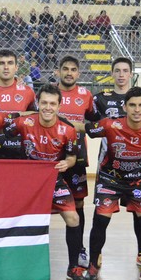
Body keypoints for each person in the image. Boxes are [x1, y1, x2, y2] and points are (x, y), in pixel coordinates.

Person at [84, 87, 141, 280]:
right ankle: (92, 266)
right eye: (132, 105)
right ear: (124, 107)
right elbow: (86, 128)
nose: (137, 109)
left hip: (138, 180)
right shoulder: (110, 124)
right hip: (109, 178)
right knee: (100, 222)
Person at [5, 84, 85, 280]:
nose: (48, 107)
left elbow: (72, 157)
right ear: (37, 104)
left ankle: (73, 266)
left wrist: (68, 163)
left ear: (59, 106)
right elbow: (3, 134)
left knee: (73, 218)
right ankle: (14, 265)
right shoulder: (24, 123)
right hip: (28, 179)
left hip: (53, 178)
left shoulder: (68, 130)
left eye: (52, 104)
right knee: (17, 220)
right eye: (44, 103)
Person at [56, 56, 97, 269]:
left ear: (78, 73)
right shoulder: (49, 94)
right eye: (65, 69)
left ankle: (80, 249)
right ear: (58, 72)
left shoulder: (86, 95)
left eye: (73, 69)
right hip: (52, 158)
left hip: (78, 158)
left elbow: (94, 121)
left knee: (78, 204)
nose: (69, 73)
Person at [0, 49, 37, 159]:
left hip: (18, 147)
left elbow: (35, 117)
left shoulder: (27, 92)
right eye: (2, 63)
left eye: (10, 63)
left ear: (16, 67)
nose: (6, 67)